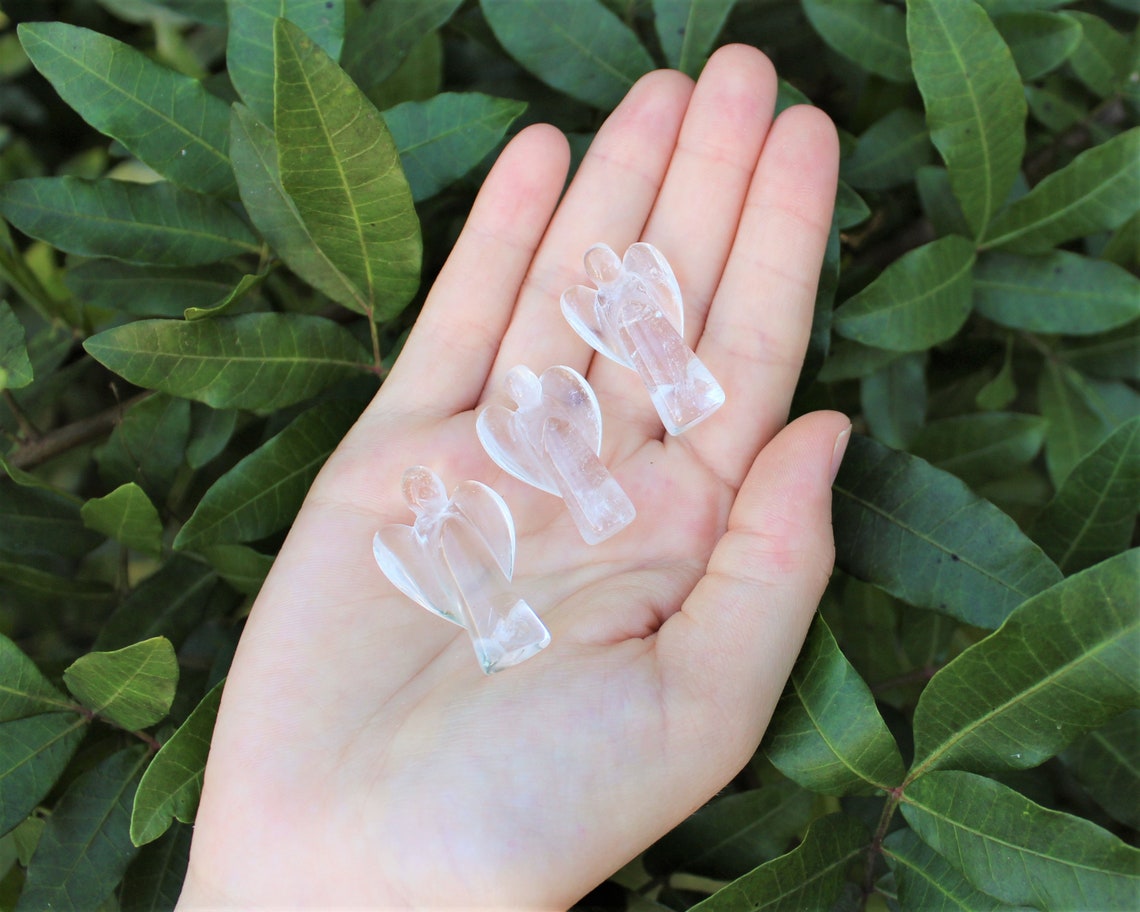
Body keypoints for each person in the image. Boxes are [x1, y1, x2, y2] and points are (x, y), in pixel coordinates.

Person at [176, 43, 846, 909]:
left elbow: (604, 361)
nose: (601, 273)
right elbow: (475, 522)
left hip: (620, 416)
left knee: (649, 387)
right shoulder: (434, 518)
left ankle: (656, 416)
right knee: (497, 593)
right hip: (496, 583)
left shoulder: (615, 299)